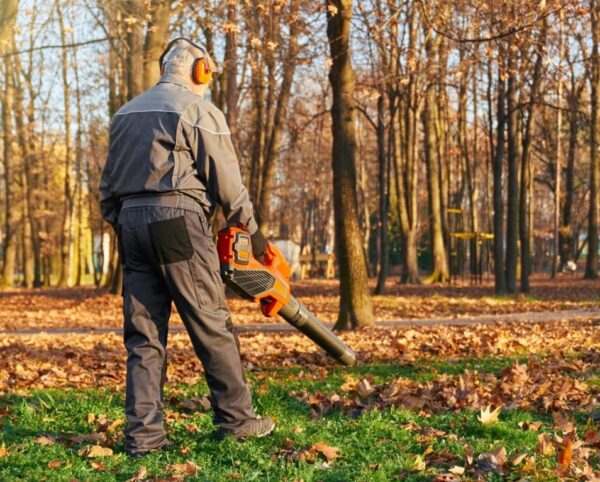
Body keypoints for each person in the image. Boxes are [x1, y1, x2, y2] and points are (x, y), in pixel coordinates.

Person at [99, 37, 274, 457]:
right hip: (177, 220)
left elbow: (107, 191)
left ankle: (143, 439)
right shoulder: (197, 109)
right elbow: (228, 185)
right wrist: (251, 232)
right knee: (211, 322)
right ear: (200, 70)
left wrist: (124, 222)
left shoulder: (123, 114)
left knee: (143, 336)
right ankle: (237, 420)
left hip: (130, 225)